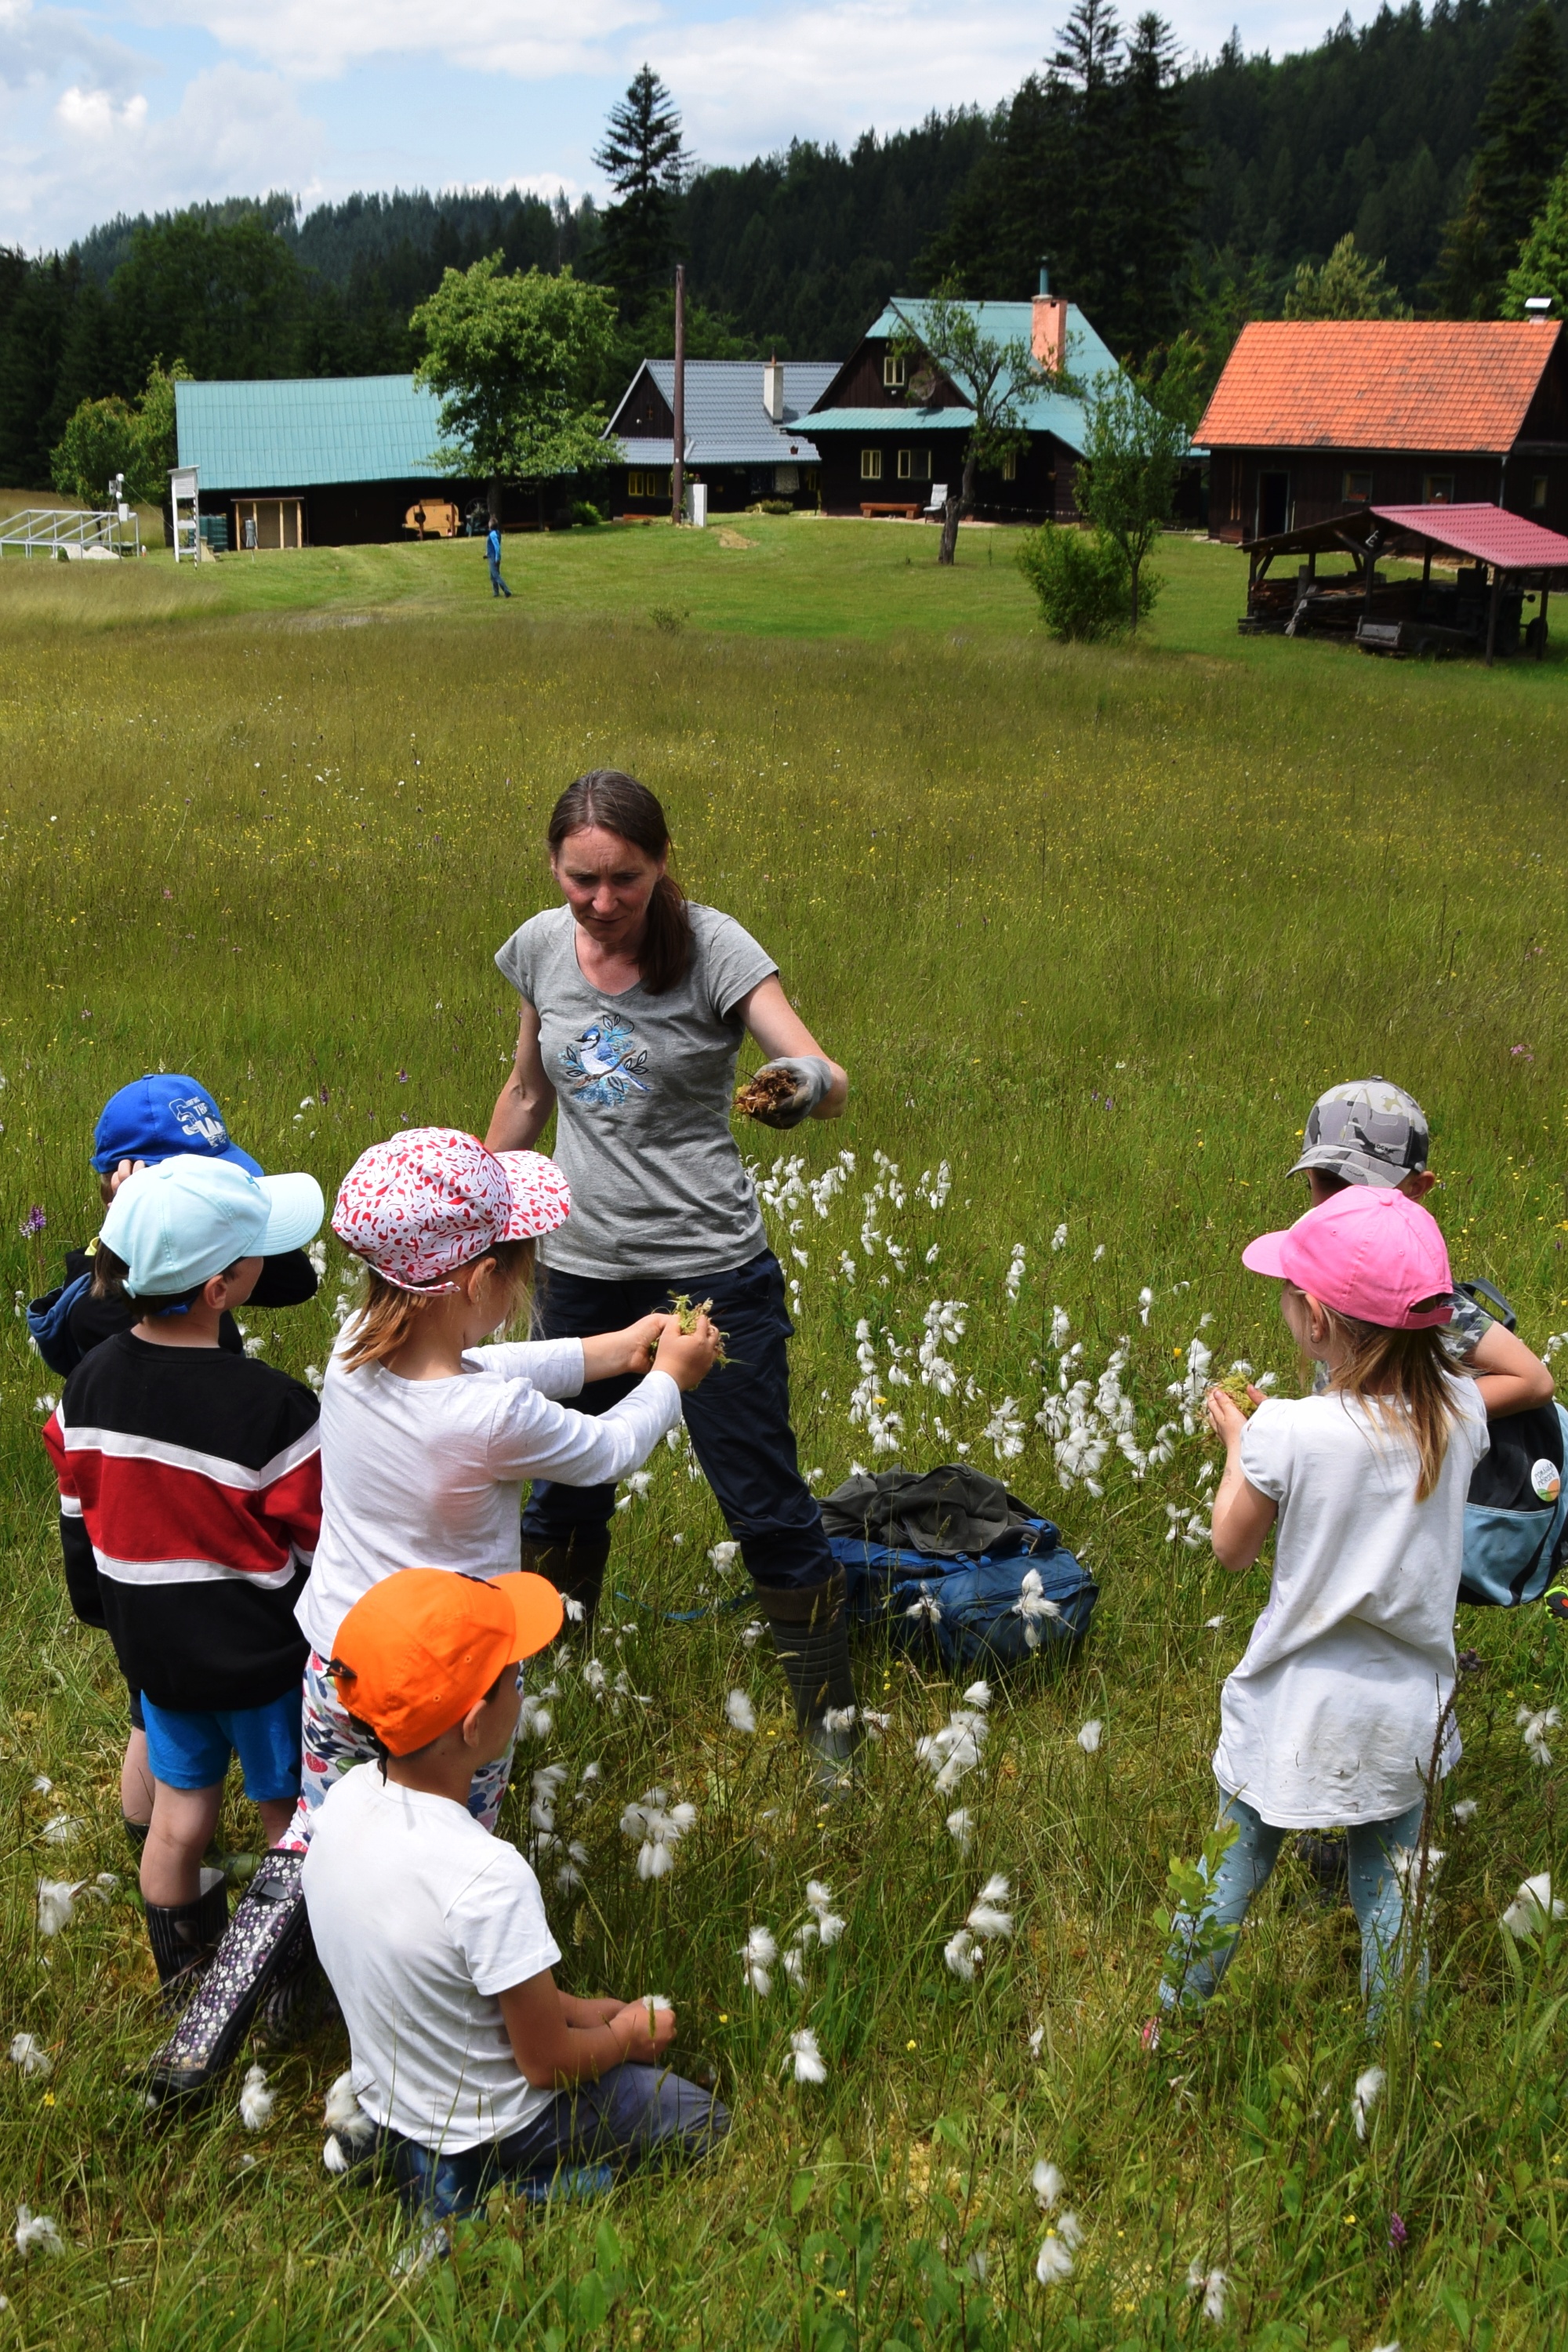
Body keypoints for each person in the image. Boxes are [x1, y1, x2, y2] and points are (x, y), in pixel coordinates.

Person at [144, 1127, 718, 2103]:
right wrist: (666, 1378)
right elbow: (606, 1451)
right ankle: (461, 1988)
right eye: (514, 1268)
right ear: (474, 1282)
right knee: (444, 1844)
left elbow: (492, 1371)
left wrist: (609, 1348)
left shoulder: (359, 1346)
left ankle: (260, 1993)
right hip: (450, 1674)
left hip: (341, 1656)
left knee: (325, 1830)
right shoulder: (484, 1420)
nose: (521, 1286)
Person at [485, 768, 858, 1783]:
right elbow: (525, 1091)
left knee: (762, 1497)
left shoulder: (716, 951)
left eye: (626, 880)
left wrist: (800, 1087)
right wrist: (485, 1217)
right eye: (581, 881)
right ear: (556, 869)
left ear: (661, 867)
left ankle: (832, 1732)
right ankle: (554, 1694)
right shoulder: (537, 951)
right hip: (581, 1271)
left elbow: (825, 1078)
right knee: (563, 1494)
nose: (602, 904)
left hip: (711, 1274)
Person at [1156, 1187, 1490, 2031]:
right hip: (1405, 1712)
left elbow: (1230, 1546)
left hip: (1294, 1710)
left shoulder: (1288, 1433)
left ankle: (1168, 2030)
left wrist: (1242, 1444)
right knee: (1386, 1892)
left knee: (1228, 1872)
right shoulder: (1460, 1411)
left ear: (1315, 1319)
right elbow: (1379, 1449)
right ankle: (1395, 2064)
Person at [303, 1566, 728, 2221]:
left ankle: (411, 2154)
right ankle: (515, 2190)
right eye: (512, 1675)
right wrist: (624, 2037)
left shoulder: (342, 1804)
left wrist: (587, 2009)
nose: (522, 1683)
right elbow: (547, 2065)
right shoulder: (485, 1874)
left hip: (394, 2096)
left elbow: (458, 1979)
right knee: (701, 2120)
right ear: (475, 1725)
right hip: (495, 2122)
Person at [42, 1156, 325, 2012]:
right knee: (291, 1826)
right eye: (253, 1255)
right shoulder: (276, 1409)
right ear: (220, 1289)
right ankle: (285, 1992)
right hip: (266, 1661)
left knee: (179, 1822)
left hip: (157, 1660)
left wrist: (109, 1614)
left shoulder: (82, 1391)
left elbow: (78, 1519)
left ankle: (189, 1989)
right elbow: (317, 1546)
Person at [1290, 1076, 1553, 1415]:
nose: (1348, 1202)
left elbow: (1534, 1381)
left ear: (1416, 1188)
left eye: (1368, 1184)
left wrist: (1396, 1421)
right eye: (1328, 1181)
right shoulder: (1325, 1268)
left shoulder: (1413, 1295)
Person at [486, 519, 511, 599]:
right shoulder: (497, 533)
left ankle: (507, 591)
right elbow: (492, 546)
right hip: (492, 555)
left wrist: (497, 557)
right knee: (492, 576)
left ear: (491, 525)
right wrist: (487, 554)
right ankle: (496, 592)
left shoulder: (493, 534)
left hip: (494, 557)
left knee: (496, 575)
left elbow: (497, 546)